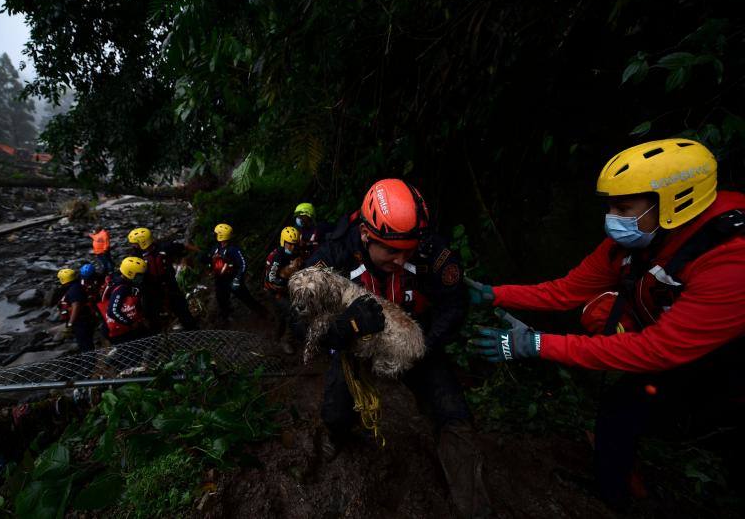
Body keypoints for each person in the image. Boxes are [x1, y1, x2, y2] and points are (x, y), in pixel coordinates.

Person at [468, 139, 745, 509]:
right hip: (680, 346)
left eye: (623, 206)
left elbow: (655, 350)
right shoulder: (637, 241)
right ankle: (613, 494)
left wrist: (535, 345)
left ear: (671, 204)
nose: (612, 216)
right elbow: (566, 291)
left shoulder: (730, 259)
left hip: (726, 360)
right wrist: (494, 294)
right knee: (621, 403)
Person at [306, 178, 486, 518]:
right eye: (391, 251)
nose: (402, 259)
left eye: (409, 249)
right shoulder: (334, 255)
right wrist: (348, 326)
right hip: (358, 345)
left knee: (453, 414)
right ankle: (336, 435)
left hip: (415, 341)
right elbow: (307, 318)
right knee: (336, 411)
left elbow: (454, 304)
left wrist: (425, 346)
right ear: (365, 235)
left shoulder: (431, 251)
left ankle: (475, 506)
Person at [128, 227, 198, 332]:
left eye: (135, 243)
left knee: (181, 309)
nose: (133, 245)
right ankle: (156, 335)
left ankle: (192, 330)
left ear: (142, 242)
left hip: (167, 286)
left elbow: (182, 246)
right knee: (151, 315)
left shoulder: (163, 248)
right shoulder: (136, 255)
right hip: (150, 289)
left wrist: (201, 253)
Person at [204, 223, 266, 325]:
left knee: (246, 298)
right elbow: (211, 259)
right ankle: (226, 317)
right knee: (221, 299)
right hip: (220, 279)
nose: (215, 235)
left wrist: (238, 278)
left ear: (221, 235)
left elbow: (243, 264)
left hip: (232, 278)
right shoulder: (216, 247)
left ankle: (263, 313)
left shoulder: (233, 249)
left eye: (217, 233)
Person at [264, 226, 303, 354]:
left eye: (294, 244)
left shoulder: (295, 253)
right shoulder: (277, 257)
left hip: (288, 289)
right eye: (289, 244)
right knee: (290, 313)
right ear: (283, 242)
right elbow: (271, 279)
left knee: (284, 316)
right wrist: (285, 278)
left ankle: (278, 338)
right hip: (275, 291)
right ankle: (285, 340)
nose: (291, 247)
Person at [99, 256, 148, 345]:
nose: (141, 278)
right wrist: (130, 323)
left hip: (119, 328)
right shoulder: (122, 288)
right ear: (130, 274)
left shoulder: (118, 279)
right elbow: (112, 311)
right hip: (117, 331)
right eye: (139, 275)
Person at [57, 268, 95, 352]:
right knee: (84, 344)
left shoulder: (74, 289)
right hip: (81, 320)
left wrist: (70, 324)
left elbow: (76, 306)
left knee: (86, 345)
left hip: (81, 322)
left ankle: (89, 363)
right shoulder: (75, 286)